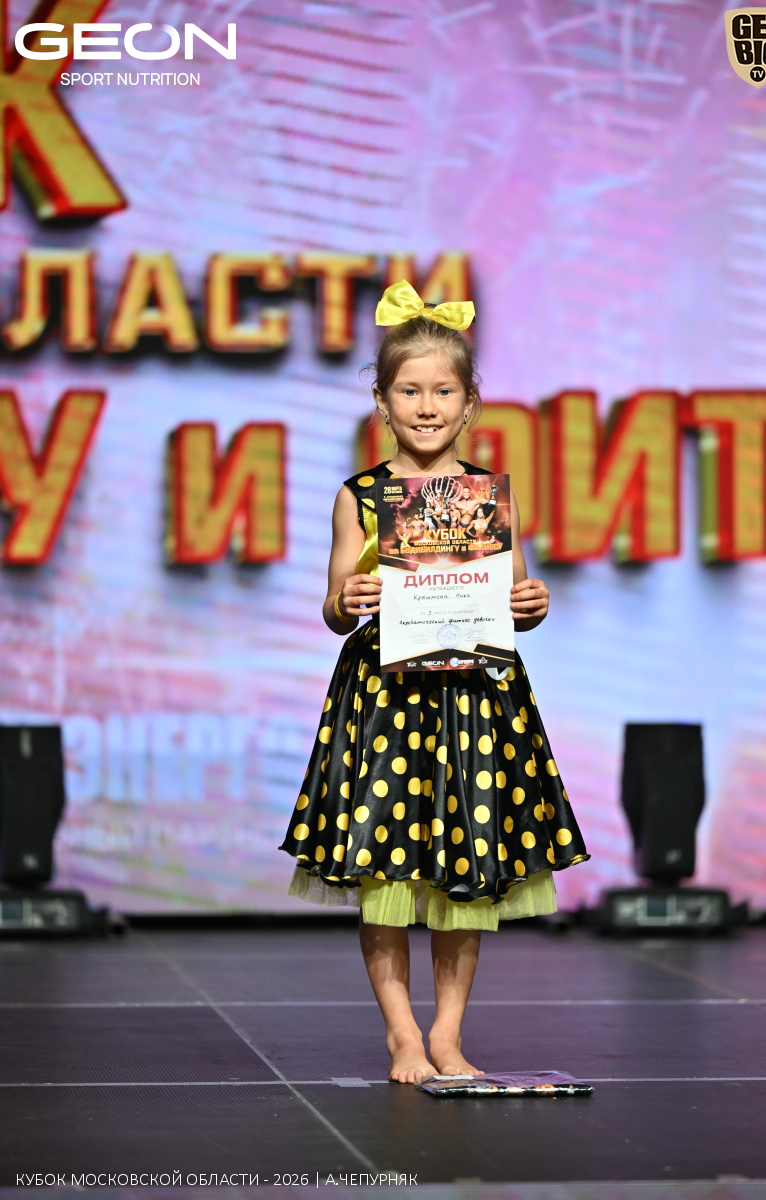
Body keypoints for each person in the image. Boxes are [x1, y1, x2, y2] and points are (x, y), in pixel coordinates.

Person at [279, 279, 589, 1084]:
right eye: (409, 391)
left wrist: (533, 603)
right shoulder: (362, 497)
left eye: (443, 391)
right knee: (384, 870)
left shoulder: (484, 499)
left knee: (467, 867)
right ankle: (401, 1034)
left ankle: (447, 1035)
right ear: (382, 402)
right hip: (387, 700)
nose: (426, 406)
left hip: (475, 701)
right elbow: (334, 607)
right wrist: (346, 597)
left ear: (469, 402)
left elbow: (513, 601)